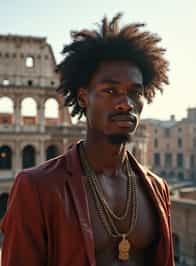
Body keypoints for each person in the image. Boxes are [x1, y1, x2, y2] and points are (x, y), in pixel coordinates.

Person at [0, 13, 174, 266]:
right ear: (83, 98)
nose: (125, 103)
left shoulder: (157, 189)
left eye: (135, 92)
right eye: (110, 91)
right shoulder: (36, 187)